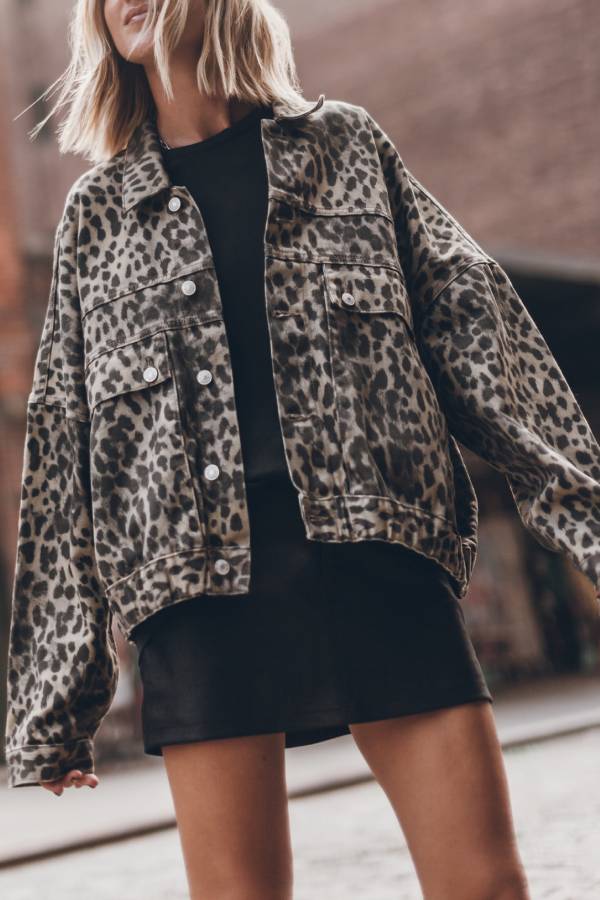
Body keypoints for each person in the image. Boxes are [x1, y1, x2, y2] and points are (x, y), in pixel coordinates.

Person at [6, 1, 600, 897]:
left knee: (485, 887)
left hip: (379, 562)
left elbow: (481, 333)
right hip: (198, 601)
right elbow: (61, 449)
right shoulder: (98, 214)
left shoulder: (346, 147)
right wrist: (57, 701)